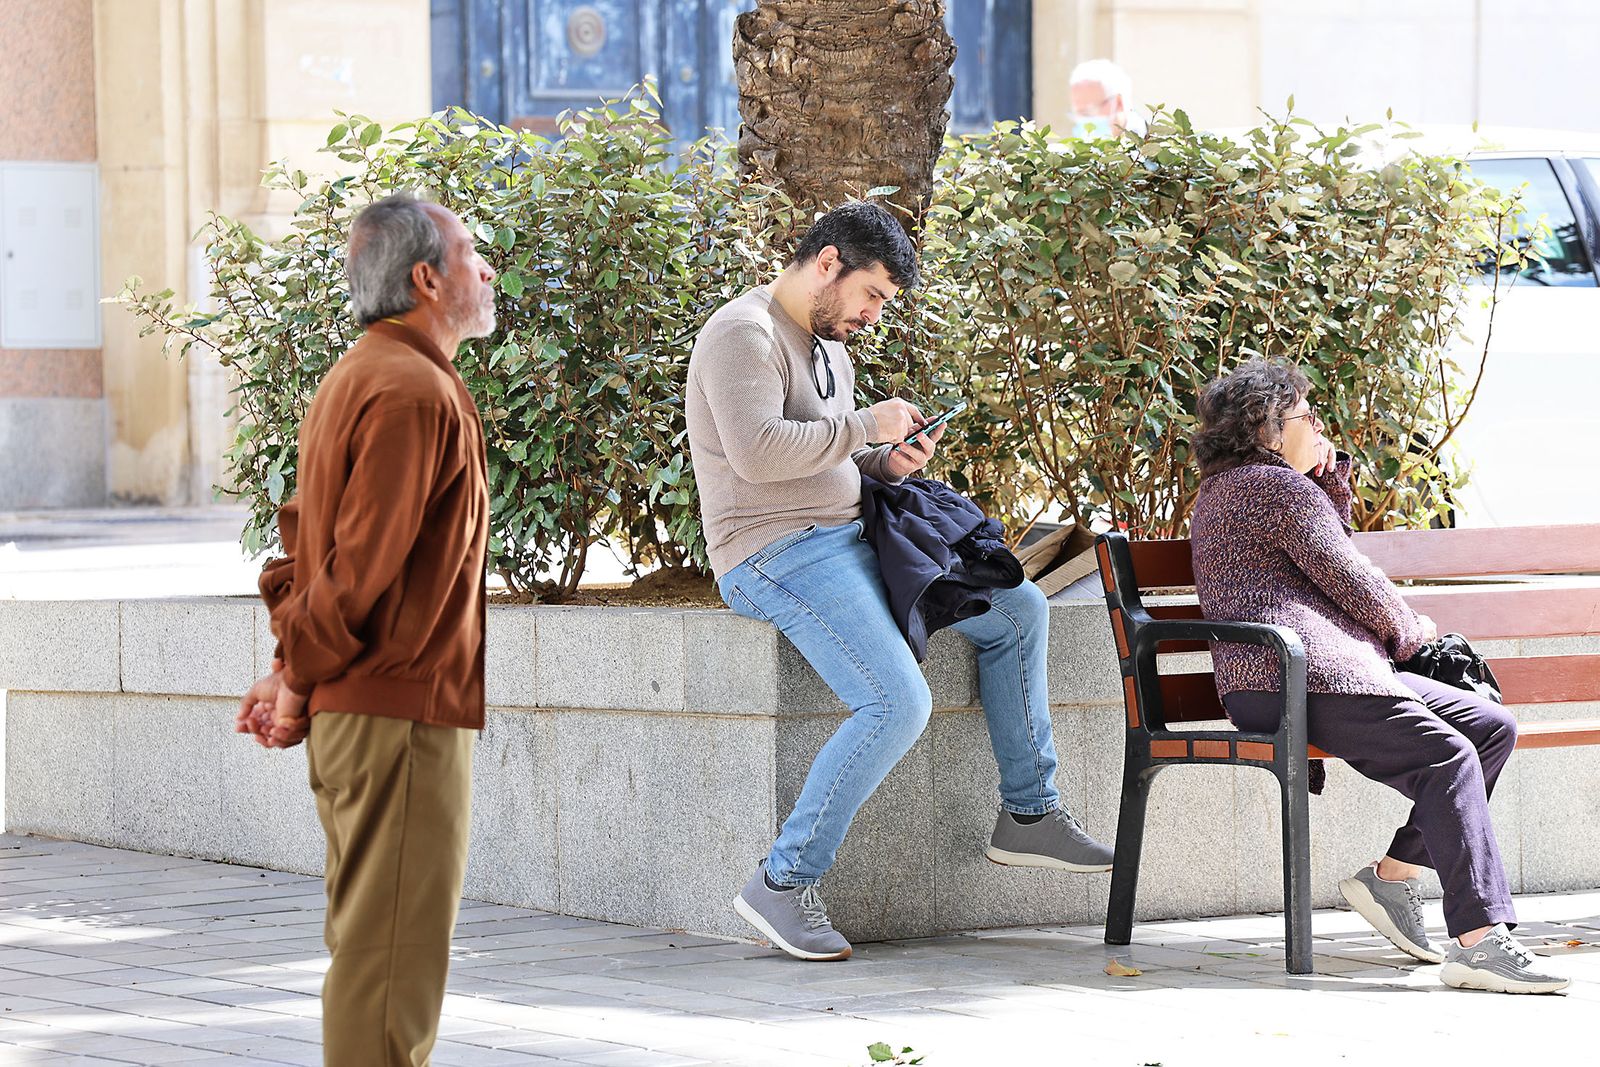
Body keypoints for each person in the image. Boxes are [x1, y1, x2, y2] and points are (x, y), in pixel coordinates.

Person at [687, 200, 1113, 963]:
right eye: (872, 294)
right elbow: (756, 454)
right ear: (827, 264)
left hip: (849, 535)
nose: (874, 315)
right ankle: (783, 882)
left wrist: (888, 460)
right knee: (895, 700)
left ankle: (1029, 811)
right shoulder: (740, 335)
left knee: (1016, 608)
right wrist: (865, 429)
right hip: (772, 551)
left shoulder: (828, 347)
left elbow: (828, 454)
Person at [1188, 359, 1569, 995]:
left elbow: (1323, 549)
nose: (1317, 424)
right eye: (1305, 415)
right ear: (1267, 429)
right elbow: (1350, 576)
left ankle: (1390, 879)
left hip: (1308, 672)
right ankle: (1480, 943)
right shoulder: (1269, 489)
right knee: (1447, 756)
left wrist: (1326, 481)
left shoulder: (1249, 486)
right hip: (1299, 677)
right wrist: (1413, 634)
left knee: (1491, 728)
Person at [236, 191, 499, 1061]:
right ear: (426, 278)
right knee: (389, 974)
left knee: (375, 956)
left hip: (377, 711)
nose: (487, 268)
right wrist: (297, 676)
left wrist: (289, 670)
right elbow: (352, 573)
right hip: (399, 718)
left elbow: (309, 543)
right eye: (471, 253)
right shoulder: (411, 389)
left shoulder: (364, 373)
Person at [1067, 58, 1146, 139]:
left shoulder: (1149, 146)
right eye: (1077, 113)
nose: (1082, 120)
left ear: (1118, 103)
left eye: (1087, 112)